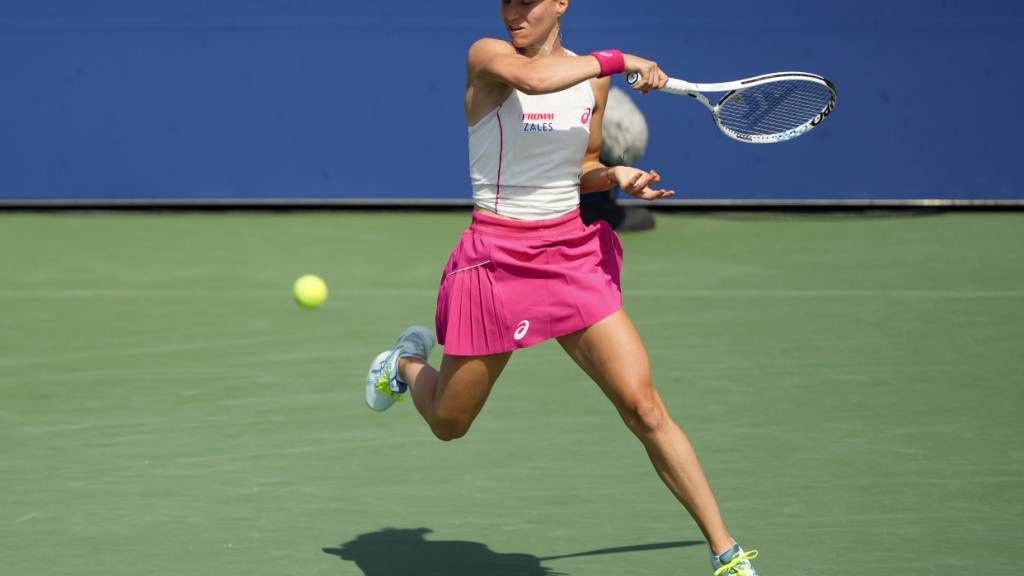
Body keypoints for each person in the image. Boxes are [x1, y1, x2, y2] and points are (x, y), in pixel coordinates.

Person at [364, 2, 760, 575]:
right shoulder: (490, 58)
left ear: (561, 3)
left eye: (527, 1)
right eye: (507, 1)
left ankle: (727, 555)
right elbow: (534, 78)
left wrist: (614, 175)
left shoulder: (592, 84)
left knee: (644, 407)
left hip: (570, 258)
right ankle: (403, 364)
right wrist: (621, 59)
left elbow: (585, 166)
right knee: (449, 423)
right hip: (496, 259)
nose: (513, 13)